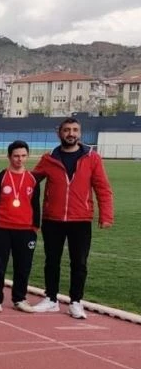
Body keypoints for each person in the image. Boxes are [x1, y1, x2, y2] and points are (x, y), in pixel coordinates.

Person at [32, 118, 114, 319]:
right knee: (52, 260)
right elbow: (30, 181)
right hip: (53, 219)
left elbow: (102, 188)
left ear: (80, 133)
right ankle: (51, 299)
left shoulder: (92, 158)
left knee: (79, 262)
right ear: (59, 133)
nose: (71, 133)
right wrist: (7, 179)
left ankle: (76, 302)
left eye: (75, 130)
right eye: (67, 130)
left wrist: (106, 215)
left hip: (81, 219)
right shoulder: (49, 158)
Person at [0, 140, 40, 313]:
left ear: (28, 156)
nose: (20, 159)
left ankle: (20, 298)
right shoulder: (0, 178)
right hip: (2, 228)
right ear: (9, 157)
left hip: (26, 230)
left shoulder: (32, 179)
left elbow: (36, 204)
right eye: (16, 156)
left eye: (23, 156)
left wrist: (35, 226)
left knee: (23, 266)